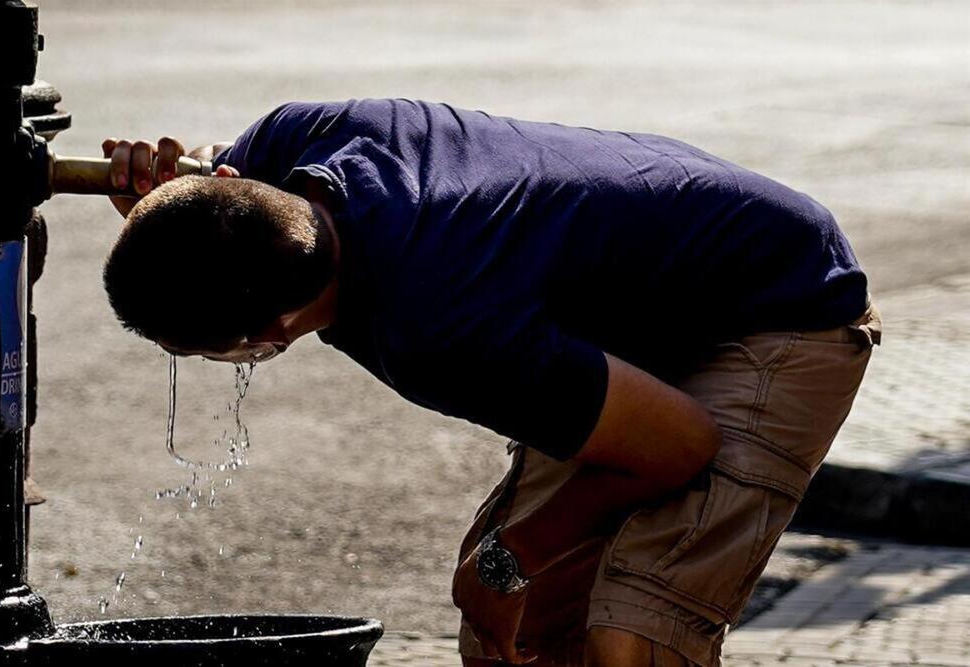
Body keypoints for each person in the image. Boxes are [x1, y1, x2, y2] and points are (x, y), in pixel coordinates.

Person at [100, 98, 881, 667]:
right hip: (634, 311)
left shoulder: (436, 327)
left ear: (269, 335)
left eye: (222, 352)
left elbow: (680, 444)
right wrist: (159, 210)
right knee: (519, 628)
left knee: (634, 636)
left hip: (783, 305)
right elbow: (218, 219)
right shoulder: (290, 146)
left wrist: (510, 555)